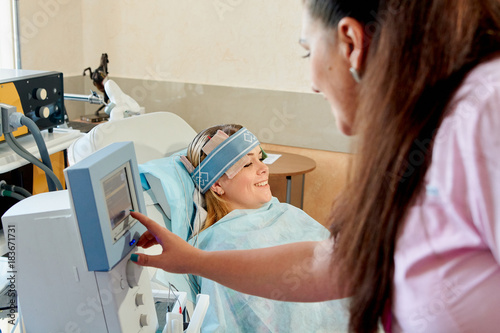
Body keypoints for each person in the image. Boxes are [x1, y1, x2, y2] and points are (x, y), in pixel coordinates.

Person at [131, 0, 500, 332]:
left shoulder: (486, 114)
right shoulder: (423, 129)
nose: (311, 85)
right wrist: (194, 260)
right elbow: (335, 264)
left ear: (351, 43)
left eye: (307, 53)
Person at [149, 124, 349, 332]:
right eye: (246, 164)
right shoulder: (221, 244)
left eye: (260, 159)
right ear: (217, 184)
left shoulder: (286, 212)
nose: (264, 168)